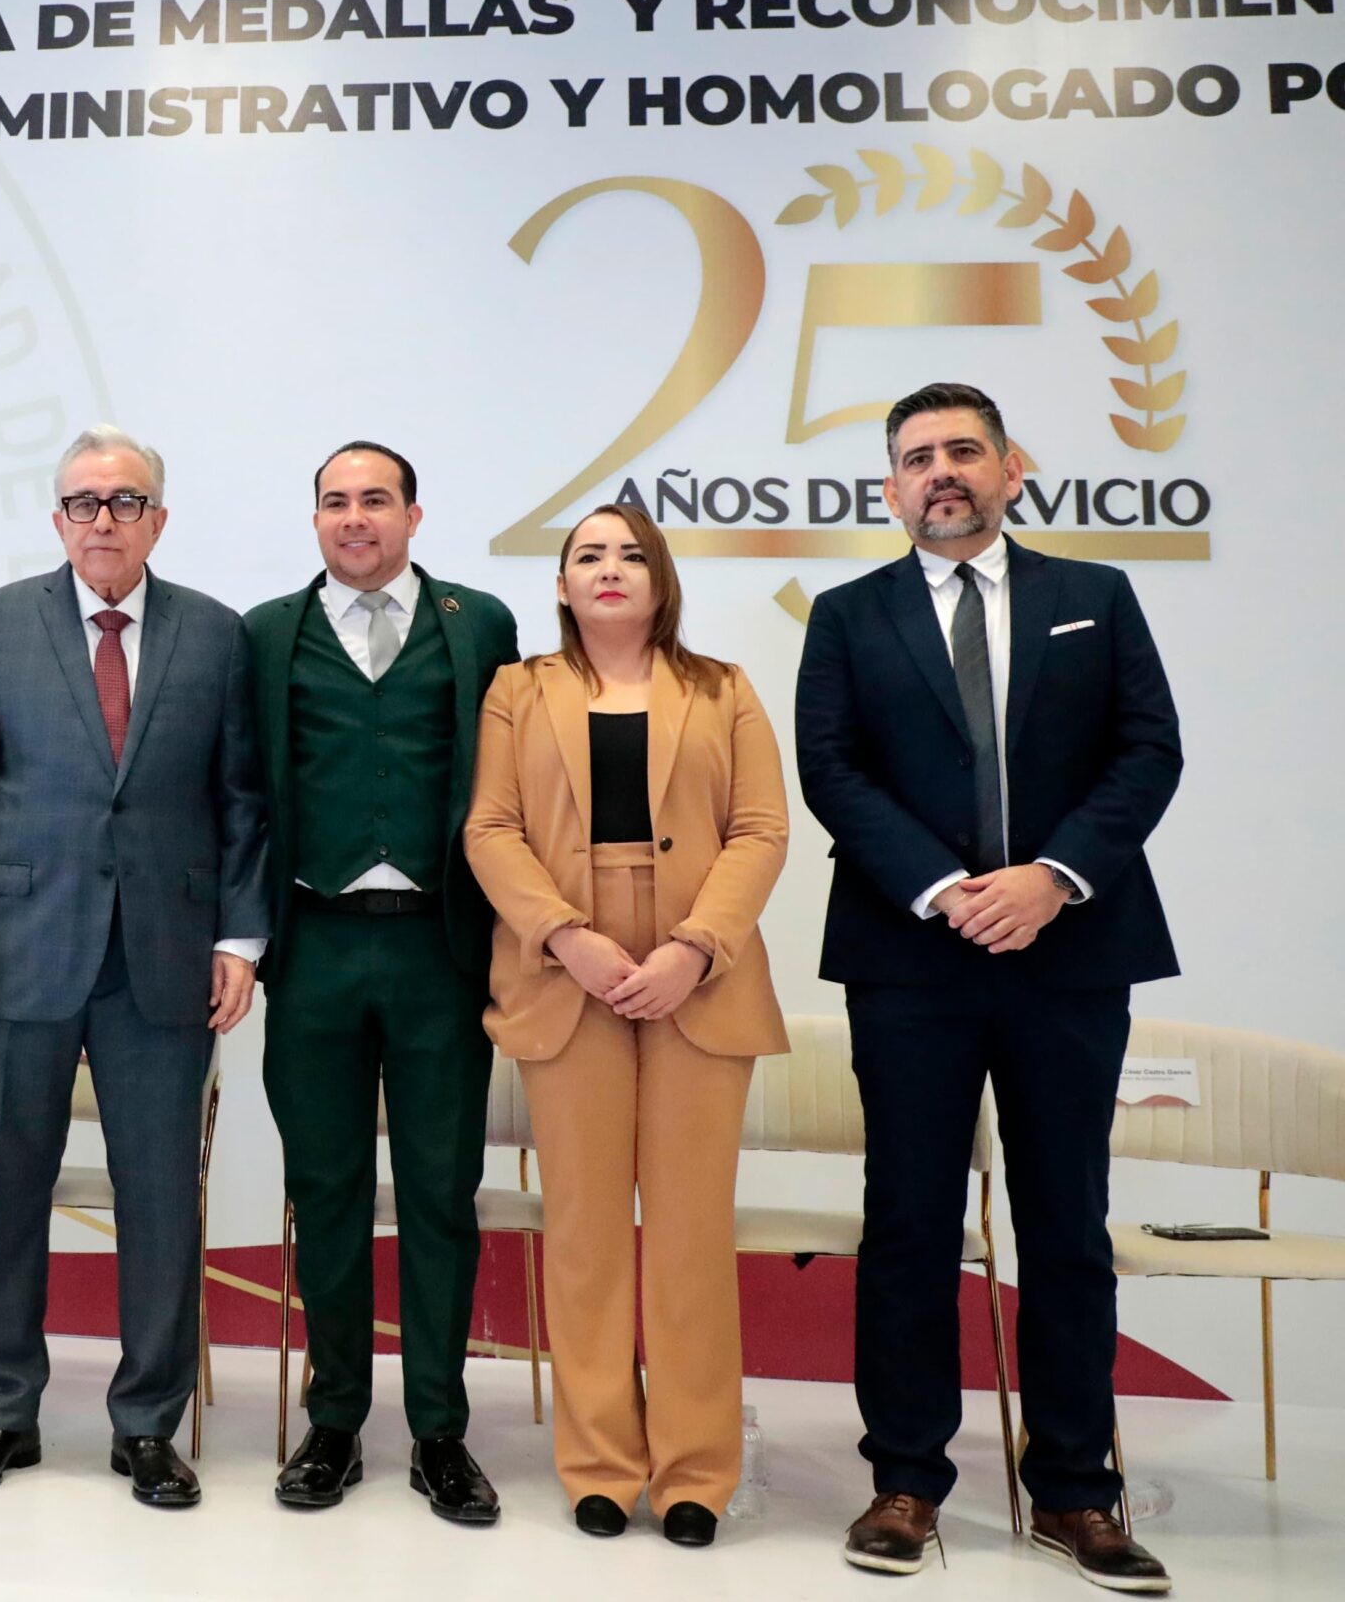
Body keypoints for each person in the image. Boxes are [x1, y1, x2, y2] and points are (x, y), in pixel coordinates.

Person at [797, 383, 1178, 1590]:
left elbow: (1147, 749)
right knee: (908, 1222)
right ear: (890, 488)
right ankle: (905, 1480)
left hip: (1069, 952)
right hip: (909, 956)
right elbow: (830, 768)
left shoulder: (1093, 594)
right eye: (916, 458)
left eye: (963, 450)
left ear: (1013, 468)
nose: (940, 472)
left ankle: (1073, 1490)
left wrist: (1051, 878)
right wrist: (944, 887)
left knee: (1064, 1222)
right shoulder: (848, 614)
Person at [0, 424, 268, 1507]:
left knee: (159, 1196)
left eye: (124, 502)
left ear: (158, 518)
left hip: (165, 955)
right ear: (58, 517)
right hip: (19, 949)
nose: (102, 520)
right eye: (83, 501)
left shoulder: (216, 634)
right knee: (8, 1187)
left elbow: (243, 799)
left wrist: (239, 939)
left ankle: (148, 1423)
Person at [464, 501, 788, 1549]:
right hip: (569, 967)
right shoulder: (518, 690)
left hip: (699, 969)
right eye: (588, 555)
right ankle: (599, 1463)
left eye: (631, 554)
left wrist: (694, 946)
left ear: (661, 578)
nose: (609, 568)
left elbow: (760, 830)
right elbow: (490, 827)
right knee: (586, 1232)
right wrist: (568, 937)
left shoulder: (723, 688)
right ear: (560, 584)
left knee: (690, 1232)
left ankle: (695, 1470)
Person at [243, 441, 518, 1523]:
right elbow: (243, 791)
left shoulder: (479, 622)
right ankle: (336, 1419)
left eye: (374, 499)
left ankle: (440, 1430)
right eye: (334, 501)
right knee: (326, 1189)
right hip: (311, 944)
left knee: (442, 1193)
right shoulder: (266, 632)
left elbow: (512, 779)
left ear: (413, 514)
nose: (354, 517)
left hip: (438, 950)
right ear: (314, 518)